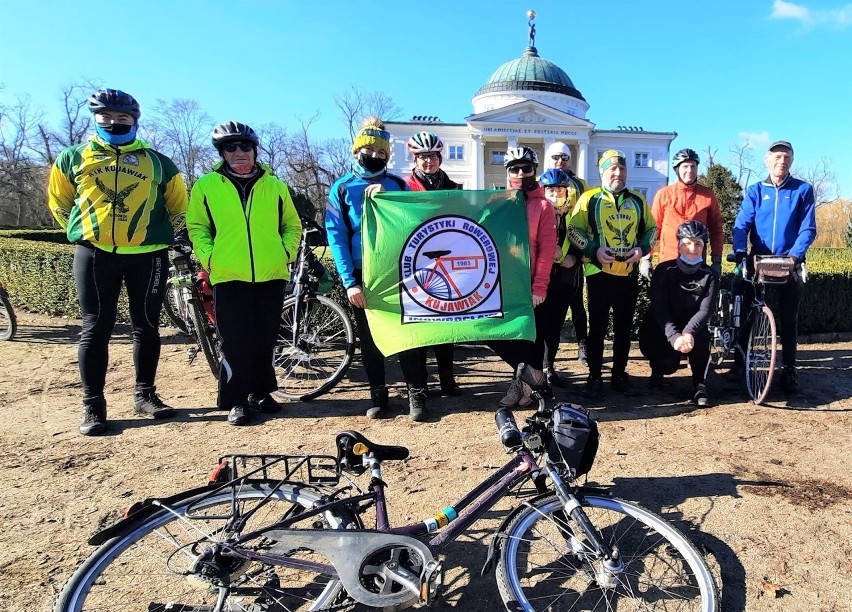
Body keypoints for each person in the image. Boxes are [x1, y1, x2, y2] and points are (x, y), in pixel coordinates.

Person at [47, 88, 188, 436]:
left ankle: (145, 395)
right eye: (106, 117)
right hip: (95, 255)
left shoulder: (158, 162)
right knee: (96, 327)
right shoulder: (72, 157)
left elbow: (178, 206)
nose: (114, 122)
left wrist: (152, 234)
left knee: (147, 326)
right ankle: (93, 404)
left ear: (135, 121)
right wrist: (84, 231)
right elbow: (60, 202)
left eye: (122, 118)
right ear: (95, 119)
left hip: (147, 255)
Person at [187, 121, 301, 426]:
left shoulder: (275, 186)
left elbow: (292, 224)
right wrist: (210, 258)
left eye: (244, 147)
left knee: (264, 338)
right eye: (230, 147)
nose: (239, 153)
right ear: (222, 152)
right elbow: (197, 227)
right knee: (235, 341)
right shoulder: (206, 186)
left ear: (254, 150)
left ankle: (261, 393)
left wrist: (286, 252)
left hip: (270, 273)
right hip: (228, 274)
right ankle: (235, 400)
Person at [326, 117, 429, 421]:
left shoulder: (397, 185)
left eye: (381, 152)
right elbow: (337, 235)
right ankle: (379, 397)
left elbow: (414, 224)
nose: (375, 155)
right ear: (356, 150)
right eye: (369, 149)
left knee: (410, 335)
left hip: (399, 273)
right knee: (370, 341)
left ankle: (417, 395)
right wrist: (349, 282)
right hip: (362, 277)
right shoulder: (342, 188)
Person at [569, 149, 657, 398]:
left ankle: (619, 373)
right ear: (602, 172)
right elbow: (574, 229)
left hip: (627, 274)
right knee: (596, 328)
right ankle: (594, 376)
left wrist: (641, 249)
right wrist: (594, 250)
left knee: (623, 328)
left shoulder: (638, 200)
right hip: (598, 273)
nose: (617, 173)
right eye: (612, 169)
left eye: (622, 169)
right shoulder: (589, 198)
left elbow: (651, 229)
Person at [733, 140, 816, 394]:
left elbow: (808, 228)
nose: (782, 161)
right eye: (777, 157)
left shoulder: (803, 190)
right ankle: (739, 363)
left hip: (788, 263)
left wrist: (794, 257)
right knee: (744, 308)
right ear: (767, 160)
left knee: (789, 319)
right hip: (758, 261)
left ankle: (789, 369)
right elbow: (741, 223)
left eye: (787, 157)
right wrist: (739, 253)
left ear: (791, 161)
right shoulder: (756, 191)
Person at [493, 146, 558, 407]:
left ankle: (523, 387)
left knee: (531, 339)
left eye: (526, 168)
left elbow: (546, 248)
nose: (521, 173)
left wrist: (539, 286)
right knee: (505, 336)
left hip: (532, 283)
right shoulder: (499, 201)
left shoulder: (543, 206)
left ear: (535, 171)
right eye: (514, 169)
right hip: (504, 283)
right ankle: (534, 380)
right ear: (508, 172)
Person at [403, 131, 462, 396]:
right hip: (415, 258)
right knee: (421, 323)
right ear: (415, 159)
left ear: (440, 158)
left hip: (445, 255)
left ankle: (448, 379)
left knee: (446, 323)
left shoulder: (452, 187)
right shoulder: (403, 186)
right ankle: (421, 383)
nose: (429, 161)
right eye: (423, 157)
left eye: (433, 156)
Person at [639, 221, 718, 406]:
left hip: (691, 327)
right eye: (688, 243)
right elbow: (660, 307)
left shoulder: (710, 275)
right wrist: (674, 337)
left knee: (701, 338)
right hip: (665, 327)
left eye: (698, 244)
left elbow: (705, 310)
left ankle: (699, 383)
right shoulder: (664, 270)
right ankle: (657, 370)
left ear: (704, 247)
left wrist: (689, 333)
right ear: (679, 245)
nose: (693, 248)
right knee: (669, 366)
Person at [534, 168, 584, 387]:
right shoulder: (535, 213)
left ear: (567, 191)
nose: (555, 194)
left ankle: (548, 366)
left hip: (563, 279)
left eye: (560, 190)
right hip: (538, 279)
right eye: (550, 190)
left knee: (554, 327)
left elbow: (584, 241)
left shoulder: (573, 216)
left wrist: (574, 257)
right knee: (537, 326)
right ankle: (533, 369)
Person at [544, 141, 589, 368]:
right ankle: (546, 361)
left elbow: (585, 220)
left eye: (564, 157)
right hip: (548, 254)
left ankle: (583, 344)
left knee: (576, 302)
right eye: (555, 157)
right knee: (548, 308)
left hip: (572, 251)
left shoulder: (580, 184)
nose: (560, 161)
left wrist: (577, 255)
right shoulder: (542, 182)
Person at [647, 148, 724, 279]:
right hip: (668, 262)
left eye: (693, 166)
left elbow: (716, 228)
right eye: (685, 166)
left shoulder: (707, 195)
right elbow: (653, 228)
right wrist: (646, 258)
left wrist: (717, 259)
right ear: (677, 169)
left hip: (696, 263)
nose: (689, 170)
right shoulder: (664, 194)